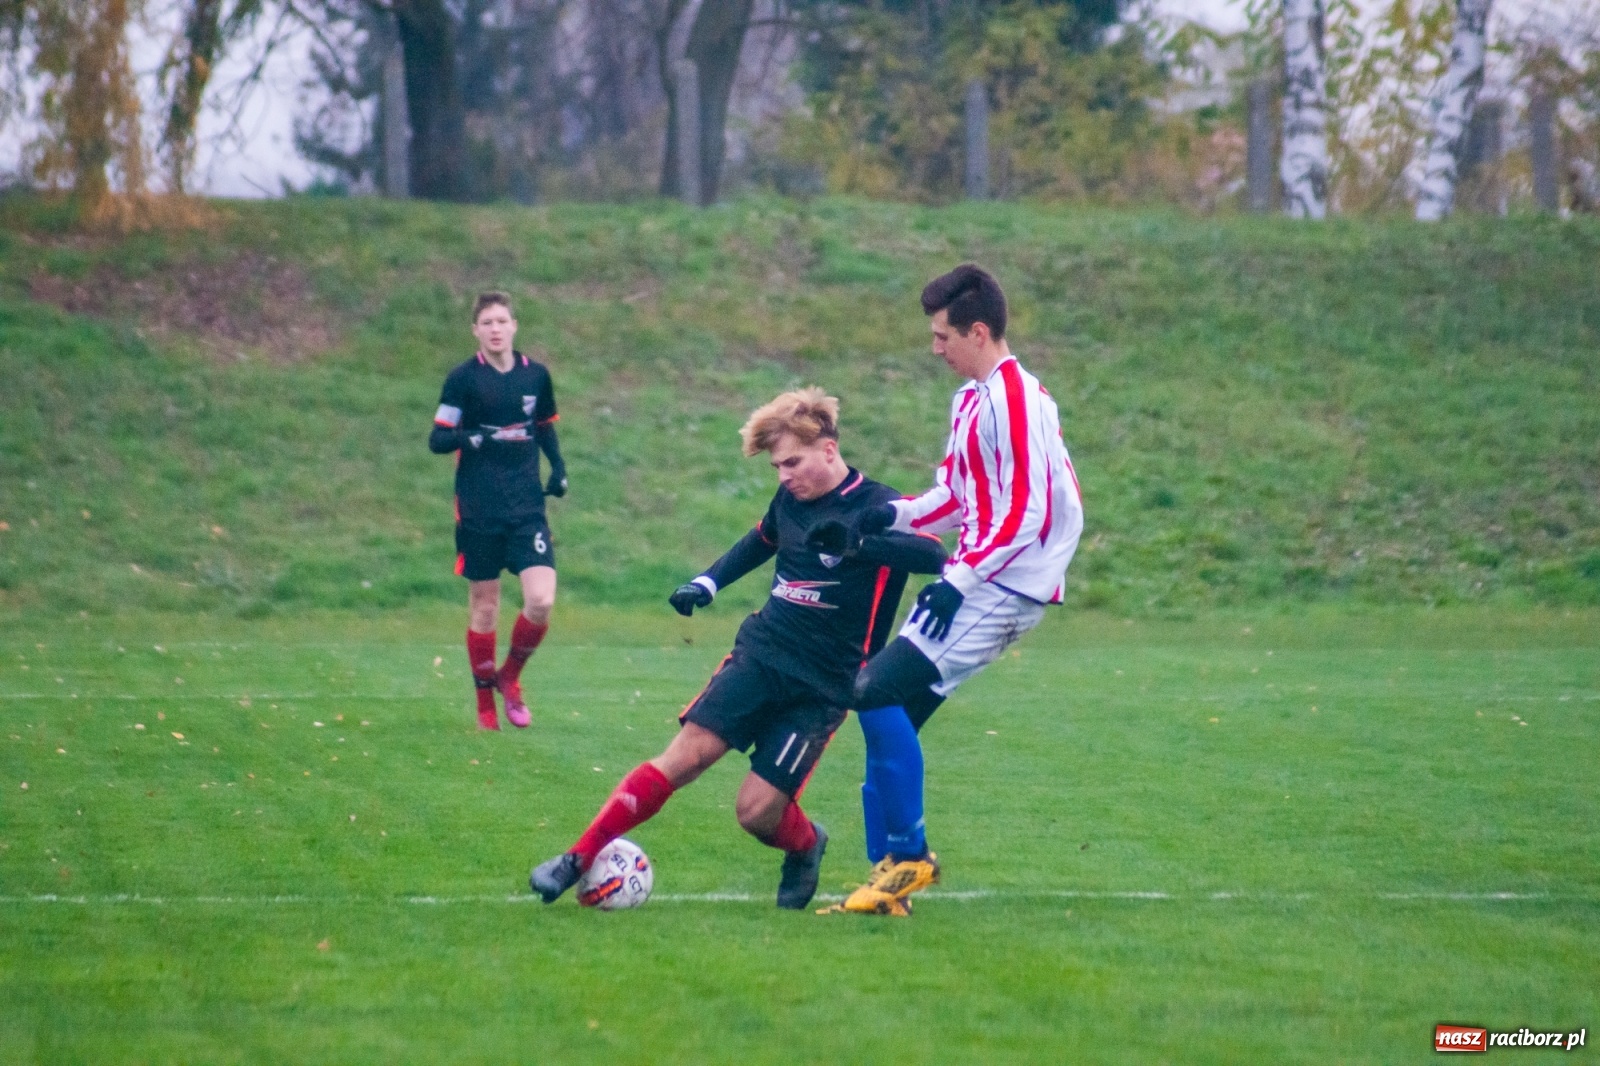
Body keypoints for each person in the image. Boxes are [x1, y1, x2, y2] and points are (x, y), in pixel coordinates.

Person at [529, 388, 947, 910]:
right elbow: (762, 539)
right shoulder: (789, 500)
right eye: (777, 466)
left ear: (830, 451)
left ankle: (806, 844)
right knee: (683, 758)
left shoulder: (881, 505)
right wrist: (707, 582)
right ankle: (576, 859)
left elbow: (935, 553)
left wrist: (860, 544)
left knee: (755, 813)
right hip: (762, 655)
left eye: (792, 462)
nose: (784, 476)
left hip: (825, 685)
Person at [829, 264, 1084, 917]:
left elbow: (1025, 512)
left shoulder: (1017, 399)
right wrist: (893, 515)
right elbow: (957, 497)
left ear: (979, 330)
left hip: (1008, 585)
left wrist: (958, 580)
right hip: (982, 575)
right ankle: (889, 883)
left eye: (943, 336)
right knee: (890, 719)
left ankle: (911, 860)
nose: (935, 348)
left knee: (873, 690)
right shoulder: (972, 400)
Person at [429, 292, 567, 731]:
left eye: (501, 320)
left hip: (526, 507)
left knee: (541, 599)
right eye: (486, 322)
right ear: (476, 331)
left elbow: (543, 425)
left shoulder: (536, 376)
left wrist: (559, 468)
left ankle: (510, 676)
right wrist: (467, 437)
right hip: (478, 508)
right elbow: (438, 438)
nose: (494, 328)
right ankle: (484, 701)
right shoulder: (463, 380)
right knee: (485, 607)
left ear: (513, 326)